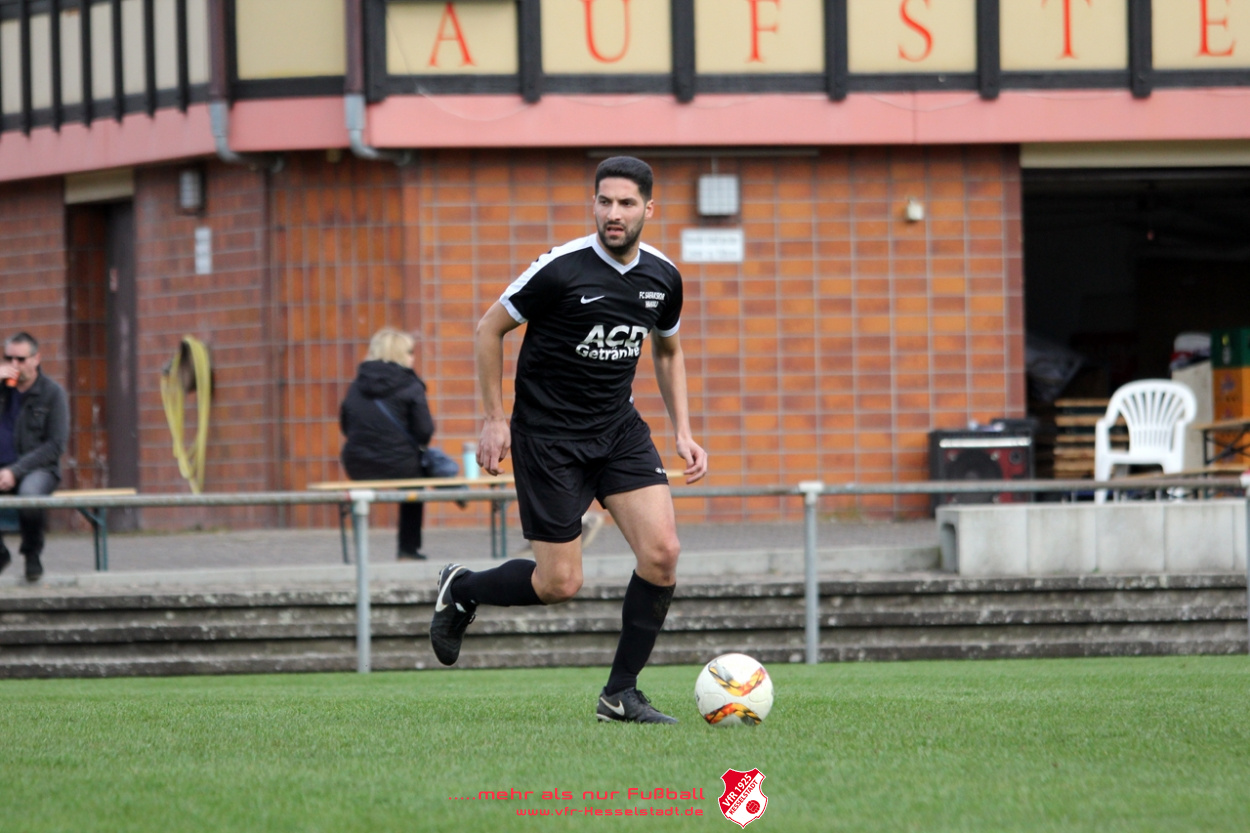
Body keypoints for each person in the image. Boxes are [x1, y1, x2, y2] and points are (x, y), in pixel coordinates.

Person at [430, 156, 708, 724]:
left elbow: (668, 351)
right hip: (549, 438)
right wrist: (494, 418)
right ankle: (463, 588)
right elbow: (488, 329)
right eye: (604, 201)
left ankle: (620, 694)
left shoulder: (663, 277)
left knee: (663, 555)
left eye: (626, 203)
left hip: (618, 431)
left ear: (649, 209)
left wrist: (683, 430)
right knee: (560, 583)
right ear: (594, 205)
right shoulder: (560, 269)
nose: (613, 213)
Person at [339, 327, 435, 560]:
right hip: (402, 465)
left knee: (362, 493)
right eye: (410, 351)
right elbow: (425, 430)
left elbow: (345, 425)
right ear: (400, 353)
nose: (413, 357)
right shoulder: (411, 384)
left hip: (358, 464)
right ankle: (408, 550)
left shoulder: (356, 385)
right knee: (415, 485)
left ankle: (359, 554)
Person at [0, 332, 69, 581]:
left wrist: (15, 471)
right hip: (2, 466)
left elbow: (55, 445)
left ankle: (32, 554)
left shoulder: (52, 393)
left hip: (37, 468)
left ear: (36, 359)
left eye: (20, 359)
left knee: (30, 496)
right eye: (8, 358)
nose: (14, 365)